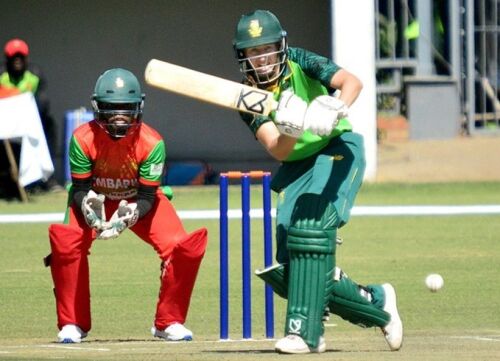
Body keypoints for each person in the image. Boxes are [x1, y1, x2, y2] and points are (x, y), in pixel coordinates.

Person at [232, 10, 403, 354]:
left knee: (311, 225)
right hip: (297, 164)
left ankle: (303, 332)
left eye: (267, 49)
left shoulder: (300, 60)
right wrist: (292, 129)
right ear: (243, 57)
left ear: (281, 46)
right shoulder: (246, 95)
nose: (262, 58)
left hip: (337, 149)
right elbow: (278, 149)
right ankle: (376, 301)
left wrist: (335, 107)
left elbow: (351, 82)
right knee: (293, 267)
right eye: (253, 52)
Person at [44, 68, 208, 343]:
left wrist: (129, 216)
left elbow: (147, 196)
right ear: (98, 108)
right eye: (111, 109)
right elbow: (80, 188)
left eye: (126, 109)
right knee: (67, 242)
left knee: (183, 247)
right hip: (94, 199)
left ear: (139, 108)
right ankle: (73, 323)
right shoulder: (82, 138)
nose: (120, 118)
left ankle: (169, 322)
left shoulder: (152, 142)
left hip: (139, 203)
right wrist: (88, 209)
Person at [0, 38, 61, 193]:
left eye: (21, 57)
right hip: (5, 122)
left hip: (28, 121)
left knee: (49, 124)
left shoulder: (35, 75)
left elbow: (41, 102)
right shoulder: (1, 75)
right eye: (14, 57)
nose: (17, 60)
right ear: (7, 59)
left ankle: (47, 178)